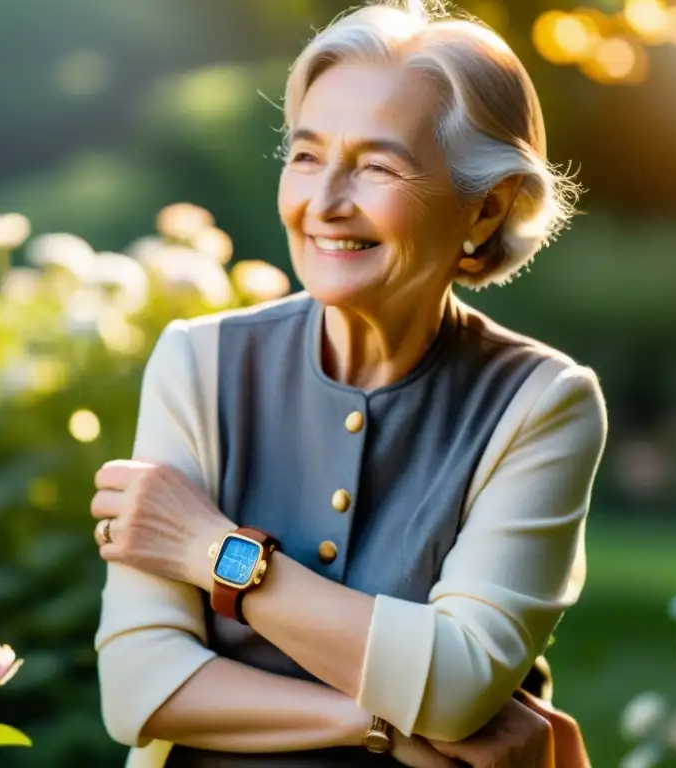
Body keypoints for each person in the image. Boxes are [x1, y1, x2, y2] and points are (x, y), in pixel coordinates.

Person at [91, 0, 607, 765]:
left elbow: (461, 683)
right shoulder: (197, 362)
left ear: (485, 206)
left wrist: (211, 548)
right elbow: (138, 689)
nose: (324, 203)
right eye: (306, 156)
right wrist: (379, 724)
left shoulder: (543, 403)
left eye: (375, 166)